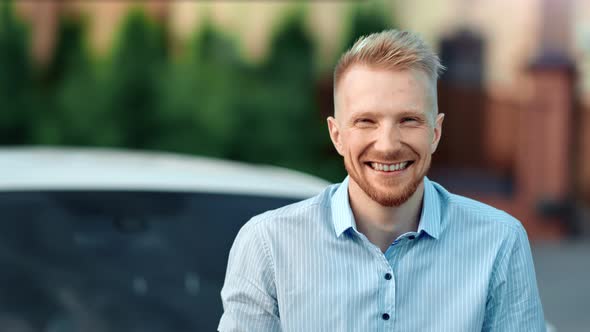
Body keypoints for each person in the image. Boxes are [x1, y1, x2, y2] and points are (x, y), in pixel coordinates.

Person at [218, 29, 546, 331]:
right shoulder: (268, 245)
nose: (388, 145)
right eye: (366, 121)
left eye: (409, 119)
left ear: (436, 132)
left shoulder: (499, 243)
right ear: (337, 135)